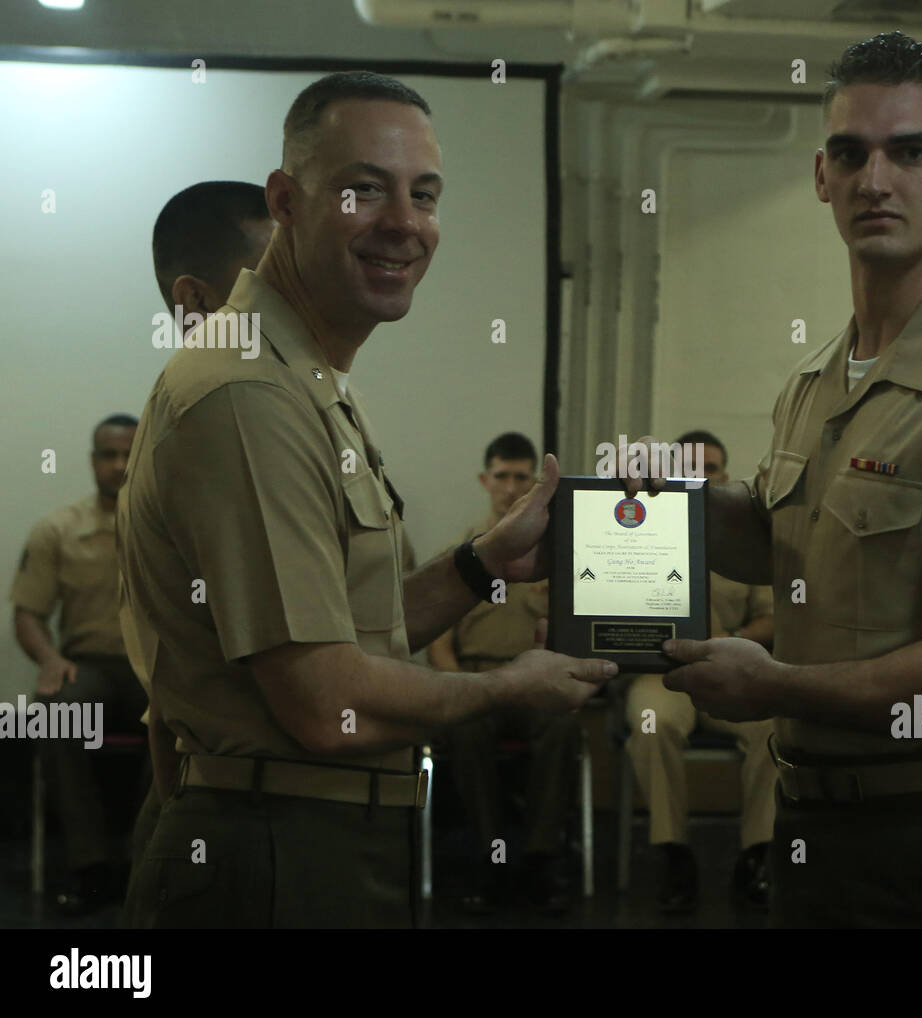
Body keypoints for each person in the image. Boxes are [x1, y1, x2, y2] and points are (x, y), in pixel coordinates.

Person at [629, 31, 922, 928]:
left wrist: (778, 687)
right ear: (820, 176)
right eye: (850, 153)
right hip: (822, 831)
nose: (874, 179)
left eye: (911, 151)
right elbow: (788, 546)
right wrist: (639, 515)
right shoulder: (823, 379)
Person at [117, 70, 613, 929]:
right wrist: (506, 689)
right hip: (271, 856)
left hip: (309, 840)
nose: (404, 224)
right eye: (363, 190)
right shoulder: (249, 393)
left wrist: (483, 564)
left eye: (424, 195)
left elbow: (347, 630)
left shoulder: (306, 378)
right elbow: (324, 702)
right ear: (286, 200)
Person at [119, 181, 275, 927]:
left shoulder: (246, 402)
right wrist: (497, 689)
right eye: (270, 276)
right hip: (228, 816)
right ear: (195, 298)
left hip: (214, 802)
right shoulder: (216, 418)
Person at [623, 430, 777, 912]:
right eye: (688, 467)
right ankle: (675, 854)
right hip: (661, 672)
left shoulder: (744, 544)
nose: (698, 476)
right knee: (653, 725)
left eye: (709, 469)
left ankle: (757, 856)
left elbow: (773, 616)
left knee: (771, 730)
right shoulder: (640, 533)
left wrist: (729, 646)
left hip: (730, 671)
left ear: (725, 479)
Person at [427, 432, 580, 914]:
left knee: (563, 725)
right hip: (477, 678)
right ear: (484, 480)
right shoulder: (460, 553)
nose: (511, 487)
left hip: (538, 680)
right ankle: (489, 858)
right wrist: (460, 688)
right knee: (466, 725)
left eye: (521, 477)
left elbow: (575, 632)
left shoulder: (560, 556)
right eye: (502, 476)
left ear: (535, 482)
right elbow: (438, 642)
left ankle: (539, 860)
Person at [11, 413, 142, 915]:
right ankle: (92, 868)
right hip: (87, 667)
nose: (119, 464)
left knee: (189, 713)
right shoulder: (58, 529)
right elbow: (28, 614)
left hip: (152, 669)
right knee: (57, 712)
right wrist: (48, 659)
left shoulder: (170, 528)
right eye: (108, 454)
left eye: (129, 453)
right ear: (93, 461)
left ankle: (142, 863)